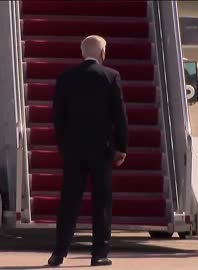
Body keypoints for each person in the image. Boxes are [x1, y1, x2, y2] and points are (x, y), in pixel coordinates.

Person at [48, 35, 128, 267]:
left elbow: (58, 116)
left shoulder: (66, 77)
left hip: (73, 149)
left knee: (69, 202)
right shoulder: (110, 76)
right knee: (101, 203)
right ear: (103, 53)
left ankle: (59, 252)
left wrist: (63, 145)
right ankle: (99, 253)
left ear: (82, 52)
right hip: (100, 150)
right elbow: (119, 116)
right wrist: (121, 146)